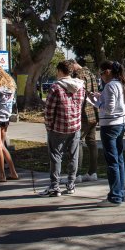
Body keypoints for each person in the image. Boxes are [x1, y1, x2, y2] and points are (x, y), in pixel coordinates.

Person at [87, 60, 125, 206]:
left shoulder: (110, 85)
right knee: (119, 160)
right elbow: (121, 104)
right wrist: (101, 96)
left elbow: (109, 108)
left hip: (110, 126)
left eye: (101, 73)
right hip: (120, 124)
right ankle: (121, 192)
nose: (101, 76)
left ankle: (115, 196)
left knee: (112, 162)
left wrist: (95, 102)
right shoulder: (121, 84)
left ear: (108, 72)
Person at [40, 60, 84, 196]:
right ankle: (71, 184)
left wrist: (48, 125)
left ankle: (55, 186)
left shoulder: (55, 87)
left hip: (58, 127)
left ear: (60, 71)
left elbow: (49, 110)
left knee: (56, 156)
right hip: (75, 126)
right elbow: (80, 106)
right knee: (73, 156)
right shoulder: (80, 86)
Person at [74, 58, 100, 183]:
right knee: (91, 141)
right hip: (94, 112)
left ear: (74, 66)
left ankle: (76, 174)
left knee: (78, 141)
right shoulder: (91, 74)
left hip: (83, 113)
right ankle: (92, 172)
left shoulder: (79, 75)